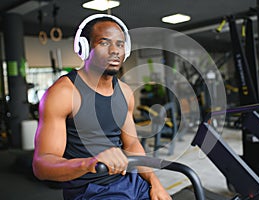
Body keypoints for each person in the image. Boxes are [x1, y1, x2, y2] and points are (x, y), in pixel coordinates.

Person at [32, 14, 171, 200]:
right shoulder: (63, 94)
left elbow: (132, 144)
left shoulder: (125, 92)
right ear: (84, 47)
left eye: (120, 44)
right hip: (91, 191)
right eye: (104, 43)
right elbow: (41, 165)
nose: (115, 51)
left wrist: (154, 182)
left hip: (132, 182)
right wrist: (89, 163)